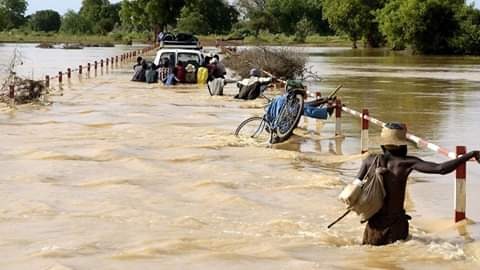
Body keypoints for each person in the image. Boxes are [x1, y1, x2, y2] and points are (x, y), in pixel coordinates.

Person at [354, 123, 480, 246]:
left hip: (373, 228)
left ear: (383, 144)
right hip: (396, 227)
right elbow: (441, 169)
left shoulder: (369, 160)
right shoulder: (406, 163)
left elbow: (354, 188)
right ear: (402, 145)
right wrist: (469, 155)